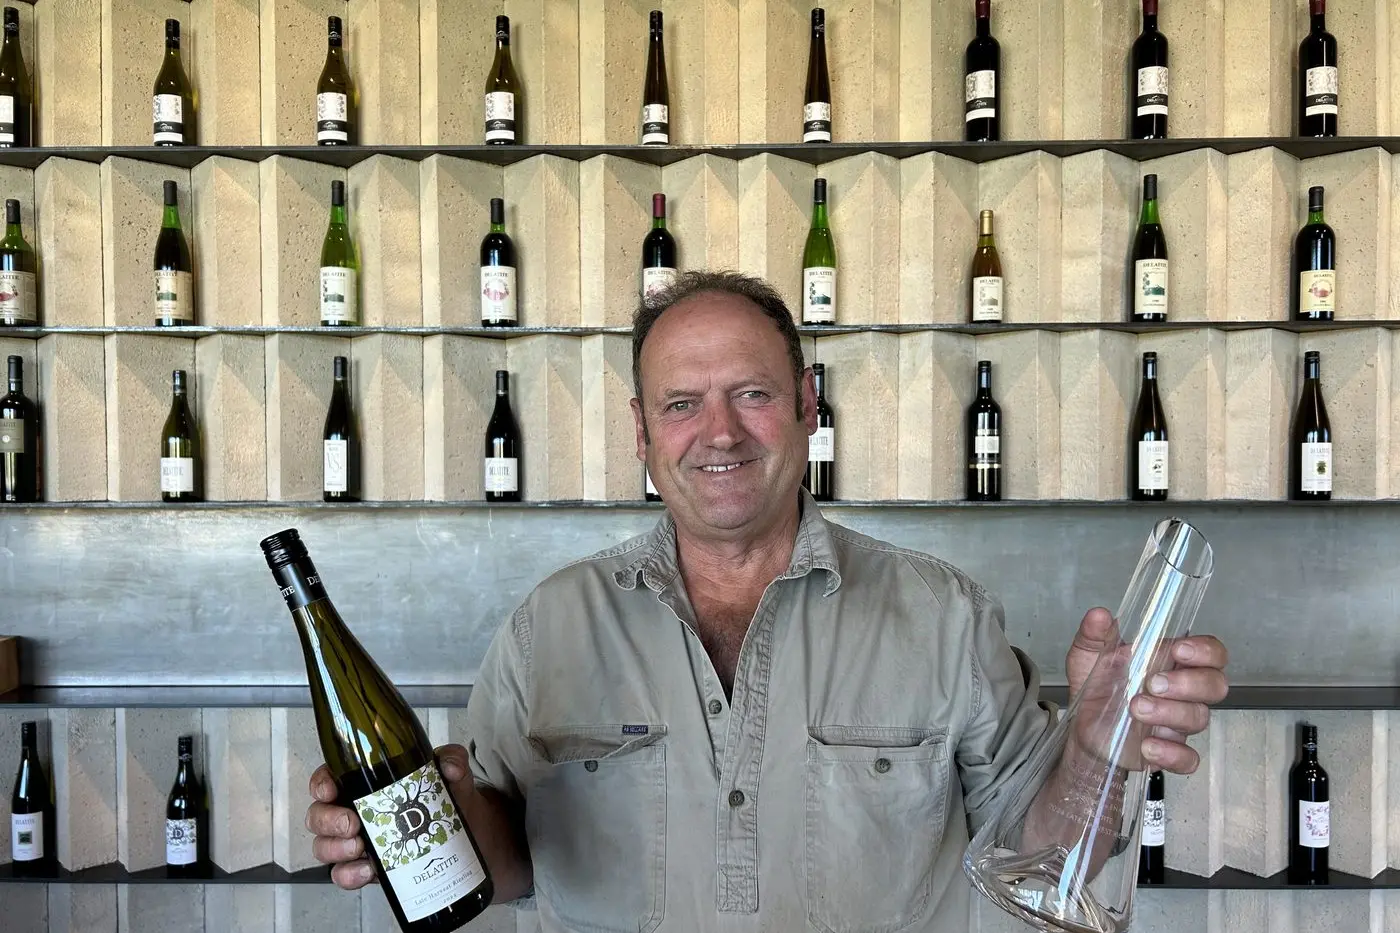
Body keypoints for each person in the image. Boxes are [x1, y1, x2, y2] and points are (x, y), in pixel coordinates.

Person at [305, 270, 1229, 932]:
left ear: (805, 406)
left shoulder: (944, 616)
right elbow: (503, 873)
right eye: (680, 404)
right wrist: (434, 817)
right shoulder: (548, 627)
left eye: (751, 393)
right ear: (640, 430)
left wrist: (1097, 754)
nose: (719, 432)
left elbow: (1043, 856)